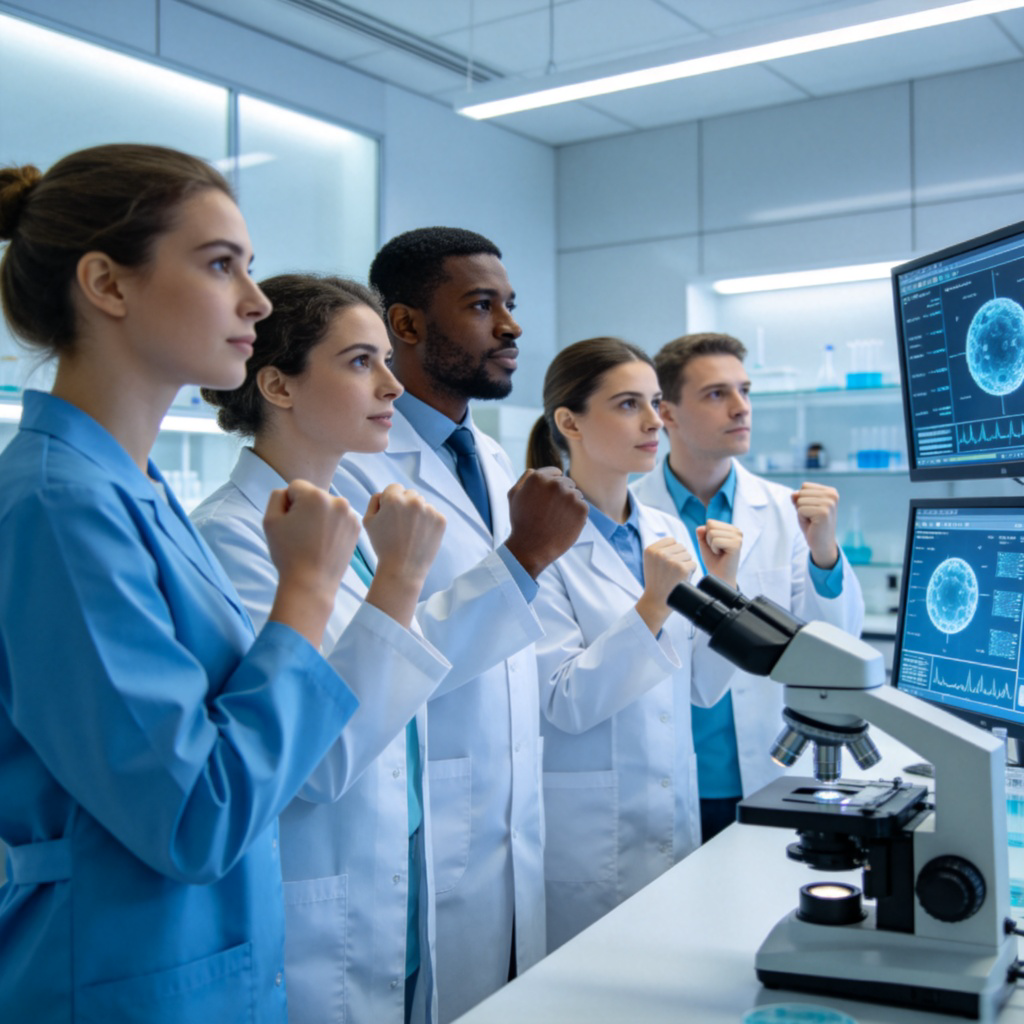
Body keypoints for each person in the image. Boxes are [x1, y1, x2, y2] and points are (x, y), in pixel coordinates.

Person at [0, 145, 370, 1023]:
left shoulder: (132, 490)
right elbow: (194, 816)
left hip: (188, 965)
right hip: (114, 981)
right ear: (108, 284)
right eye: (220, 266)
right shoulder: (59, 506)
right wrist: (306, 594)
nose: (258, 301)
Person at [333, 226, 589, 1023]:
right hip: (417, 828)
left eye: (510, 305)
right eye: (483, 306)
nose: (511, 328)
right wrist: (521, 558)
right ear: (404, 325)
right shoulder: (348, 462)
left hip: (508, 820)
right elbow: (373, 662)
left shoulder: (490, 455)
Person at [192, 274, 453, 1024]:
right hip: (317, 899)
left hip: (393, 879)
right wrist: (400, 581)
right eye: (360, 362)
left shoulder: (347, 525)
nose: (392, 387)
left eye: (386, 362)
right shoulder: (229, 536)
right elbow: (315, 760)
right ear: (276, 383)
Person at [525, 336, 742, 950]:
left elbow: (701, 688)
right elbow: (564, 700)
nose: (655, 421)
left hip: (670, 811)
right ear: (569, 421)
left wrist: (721, 588)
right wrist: (651, 604)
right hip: (589, 833)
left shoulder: (667, 529)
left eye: (654, 402)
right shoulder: (540, 540)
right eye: (628, 405)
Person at [632, 332, 865, 842]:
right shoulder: (629, 515)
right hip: (668, 772)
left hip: (767, 767)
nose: (741, 409)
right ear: (666, 414)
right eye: (717, 394)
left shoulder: (787, 512)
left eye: (745, 390)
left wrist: (825, 552)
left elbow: (838, 646)